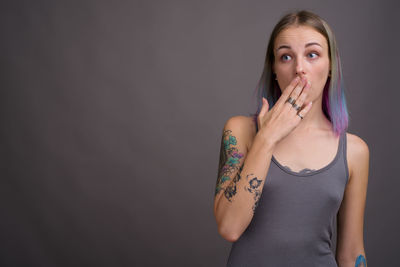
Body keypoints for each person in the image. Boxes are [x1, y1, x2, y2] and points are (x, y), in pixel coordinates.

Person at [213, 10, 369, 267]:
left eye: (312, 54)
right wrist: (267, 138)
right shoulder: (240, 131)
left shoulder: (354, 151)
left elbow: (352, 253)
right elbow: (230, 227)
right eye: (286, 56)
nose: (299, 68)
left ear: (330, 65)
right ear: (274, 69)